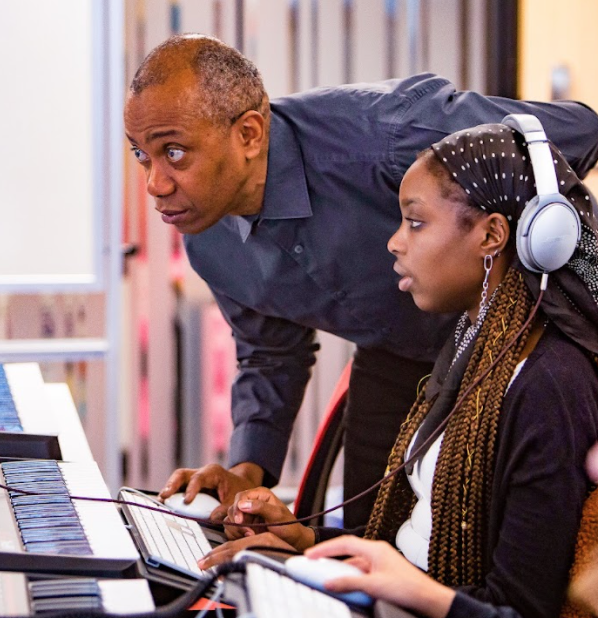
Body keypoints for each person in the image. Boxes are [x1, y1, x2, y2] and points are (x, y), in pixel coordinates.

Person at [124, 34, 598, 528]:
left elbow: (581, 134)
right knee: (368, 538)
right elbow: (270, 352)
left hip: (521, 348)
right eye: (141, 155)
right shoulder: (206, 237)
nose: (155, 184)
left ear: (248, 135)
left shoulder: (386, 134)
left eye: (174, 152)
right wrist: (247, 471)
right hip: (399, 355)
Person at [196, 122, 598, 618]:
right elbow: (414, 549)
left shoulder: (550, 387)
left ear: (491, 235)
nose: (394, 242)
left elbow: (520, 609)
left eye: (416, 222)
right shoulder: (473, 347)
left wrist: (390, 587)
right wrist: (302, 542)